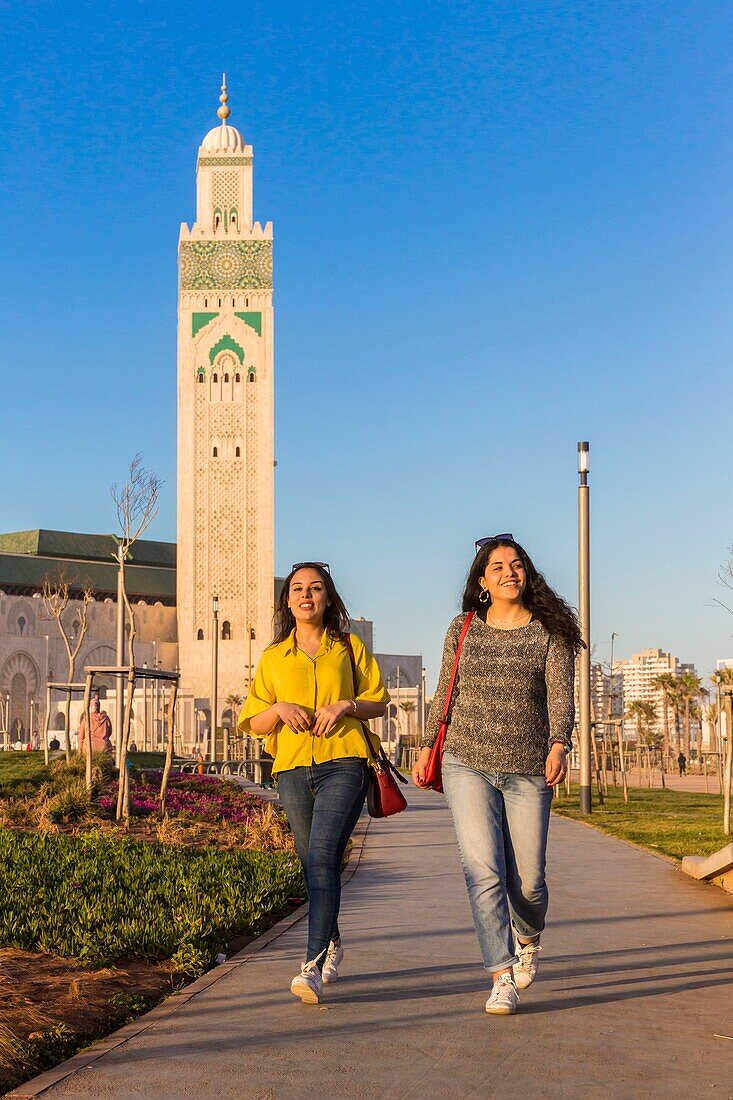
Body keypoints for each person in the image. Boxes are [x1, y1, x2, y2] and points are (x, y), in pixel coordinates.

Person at [413, 535, 580, 1016]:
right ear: (482, 581)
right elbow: (446, 689)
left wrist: (559, 743)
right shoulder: (462, 627)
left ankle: (528, 935)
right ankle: (500, 975)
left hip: (528, 766)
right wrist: (427, 745)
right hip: (465, 760)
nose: (509, 572)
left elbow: (559, 697)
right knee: (482, 871)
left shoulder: (549, 631)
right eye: (498, 566)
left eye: (517, 564)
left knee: (528, 882)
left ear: (527, 573)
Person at [239, 562, 389, 1004]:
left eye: (316, 588)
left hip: (343, 761)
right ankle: (333, 939)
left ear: (327, 597)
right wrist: (281, 708)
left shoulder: (348, 646)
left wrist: (346, 704)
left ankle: (311, 965)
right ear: (288, 601)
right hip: (291, 768)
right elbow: (252, 719)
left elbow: (377, 703)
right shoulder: (273, 657)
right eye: (298, 589)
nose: (307, 595)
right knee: (312, 864)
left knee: (323, 855)